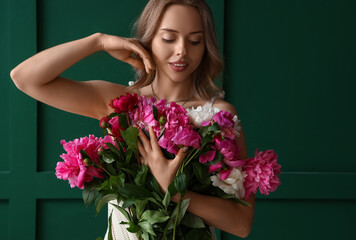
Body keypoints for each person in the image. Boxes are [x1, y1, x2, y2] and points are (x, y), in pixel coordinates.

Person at [10, 0, 255, 238]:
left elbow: (241, 224)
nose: (182, 50)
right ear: (148, 40)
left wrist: (176, 191)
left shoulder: (220, 117)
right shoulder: (120, 103)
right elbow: (25, 78)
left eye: (195, 41)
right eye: (169, 38)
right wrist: (99, 41)